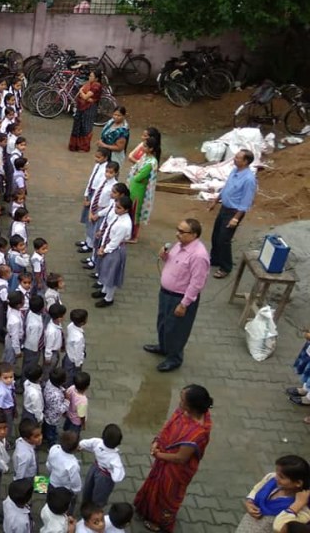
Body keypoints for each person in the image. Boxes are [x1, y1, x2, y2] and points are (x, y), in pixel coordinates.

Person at [134, 384, 213, 532]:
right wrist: (158, 441)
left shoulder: (197, 434)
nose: (179, 402)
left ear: (191, 407)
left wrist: (158, 455)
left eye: (182, 401)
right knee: (155, 486)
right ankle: (146, 508)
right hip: (165, 458)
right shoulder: (186, 411)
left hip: (176, 471)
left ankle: (159, 522)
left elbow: (180, 458)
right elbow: (169, 424)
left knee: (167, 495)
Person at [143, 218, 210, 372]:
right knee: (163, 323)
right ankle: (163, 347)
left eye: (181, 231)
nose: (177, 234)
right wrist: (165, 256)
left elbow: (197, 283)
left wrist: (184, 304)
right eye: (177, 229)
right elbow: (172, 262)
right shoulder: (179, 245)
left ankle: (174, 358)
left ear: (193, 234)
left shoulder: (199, 256)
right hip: (166, 293)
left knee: (177, 330)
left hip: (180, 298)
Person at [208, 149, 257, 279]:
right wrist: (216, 200)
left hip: (233, 213)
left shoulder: (249, 179)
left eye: (238, 158)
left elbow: (246, 201)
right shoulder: (234, 171)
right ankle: (215, 259)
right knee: (216, 235)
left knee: (224, 239)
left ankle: (225, 267)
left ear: (245, 161)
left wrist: (235, 218)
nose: (234, 159)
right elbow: (226, 188)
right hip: (224, 208)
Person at [237, 455, 310, 533]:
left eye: (281, 477)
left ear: (298, 483)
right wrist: (249, 502)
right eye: (277, 472)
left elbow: (279, 528)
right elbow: (256, 489)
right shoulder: (271, 478)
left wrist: (296, 505)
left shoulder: (302, 508)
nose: (276, 477)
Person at [127, 135, 160, 243]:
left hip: (139, 190)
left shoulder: (150, 163)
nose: (142, 147)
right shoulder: (145, 157)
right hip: (135, 187)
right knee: (131, 211)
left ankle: (134, 236)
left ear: (151, 149)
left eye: (145, 146)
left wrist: (136, 174)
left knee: (135, 212)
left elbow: (138, 177)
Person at [68, 69, 102, 152]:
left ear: (96, 78)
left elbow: (85, 97)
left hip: (89, 109)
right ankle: (75, 145)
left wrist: (81, 92)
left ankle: (84, 146)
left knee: (86, 127)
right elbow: (86, 97)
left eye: (91, 76)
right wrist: (84, 96)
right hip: (81, 107)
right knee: (78, 126)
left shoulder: (96, 86)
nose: (89, 77)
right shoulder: (88, 84)